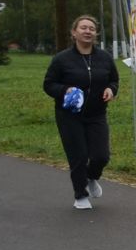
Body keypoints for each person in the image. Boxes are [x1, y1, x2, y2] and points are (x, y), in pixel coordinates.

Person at [43, 16, 120, 209]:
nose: (88, 31)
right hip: (69, 115)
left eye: (92, 29)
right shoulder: (62, 59)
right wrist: (64, 90)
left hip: (96, 114)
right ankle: (80, 195)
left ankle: (92, 177)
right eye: (83, 28)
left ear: (96, 34)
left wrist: (111, 90)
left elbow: (114, 80)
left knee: (101, 156)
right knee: (78, 155)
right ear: (74, 32)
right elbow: (48, 84)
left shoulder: (104, 57)